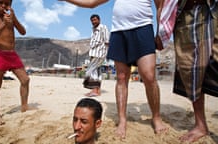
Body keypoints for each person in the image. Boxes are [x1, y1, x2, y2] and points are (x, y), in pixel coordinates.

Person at [59, 0, 167, 138]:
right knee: (121, 77)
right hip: (119, 31)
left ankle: (156, 117)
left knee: (149, 76)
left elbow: (160, 7)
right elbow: (92, 2)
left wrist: (160, 32)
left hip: (143, 27)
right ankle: (122, 120)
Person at [171, 0, 218, 143]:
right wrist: (162, 26)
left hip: (213, 8)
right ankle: (201, 124)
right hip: (185, 13)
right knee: (190, 69)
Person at [0, 0, 30, 125]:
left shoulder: (10, 17)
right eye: (1, 2)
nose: (4, 6)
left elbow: (23, 31)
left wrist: (14, 19)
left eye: (7, 3)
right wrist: (4, 24)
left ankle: (24, 106)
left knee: (25, 80)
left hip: (12, 54)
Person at [83, 14, 109, 97]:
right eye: (92, 21)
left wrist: (106, 53)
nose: (93, 22)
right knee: (97, 72)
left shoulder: (103, 27)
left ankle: (94, 90)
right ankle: (97, 91)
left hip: (100, 53)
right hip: (94, 53)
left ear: (99, 20)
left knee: (91, 71)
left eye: (95, 20)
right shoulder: (94, 30)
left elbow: (107, 41)